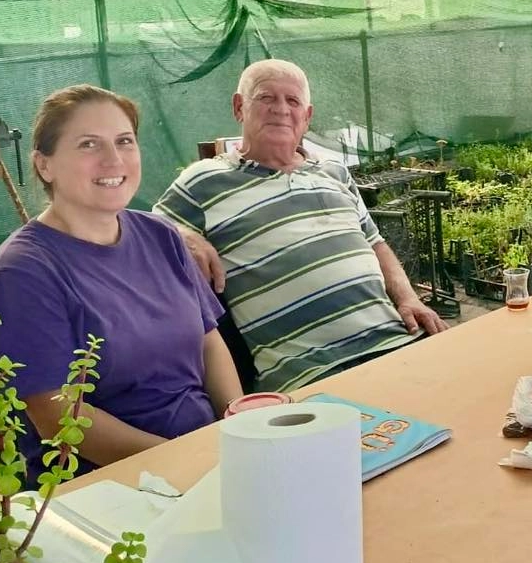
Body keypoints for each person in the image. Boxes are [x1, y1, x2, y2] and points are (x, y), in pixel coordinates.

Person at [0, 85, 243, 482]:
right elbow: (55, 414)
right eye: (88, 144)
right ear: (44, 165)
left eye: (124, 141)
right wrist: (186, 462)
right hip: (110, 486)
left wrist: (239, 428)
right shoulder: (24, 271)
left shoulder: (162, 236)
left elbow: (209, 342)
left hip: (207, 456)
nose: (113, 159)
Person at [155, 59, 447, 394]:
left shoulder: (334, 172)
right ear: (239, 107)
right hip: (309, 372)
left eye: (292, 101)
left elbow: (375, 243)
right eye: (266, 97)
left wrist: (408, 298)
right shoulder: (203, 180)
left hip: (396, 341)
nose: (281, 109)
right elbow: (142, 231)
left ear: (306, 117)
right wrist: (181, 232)